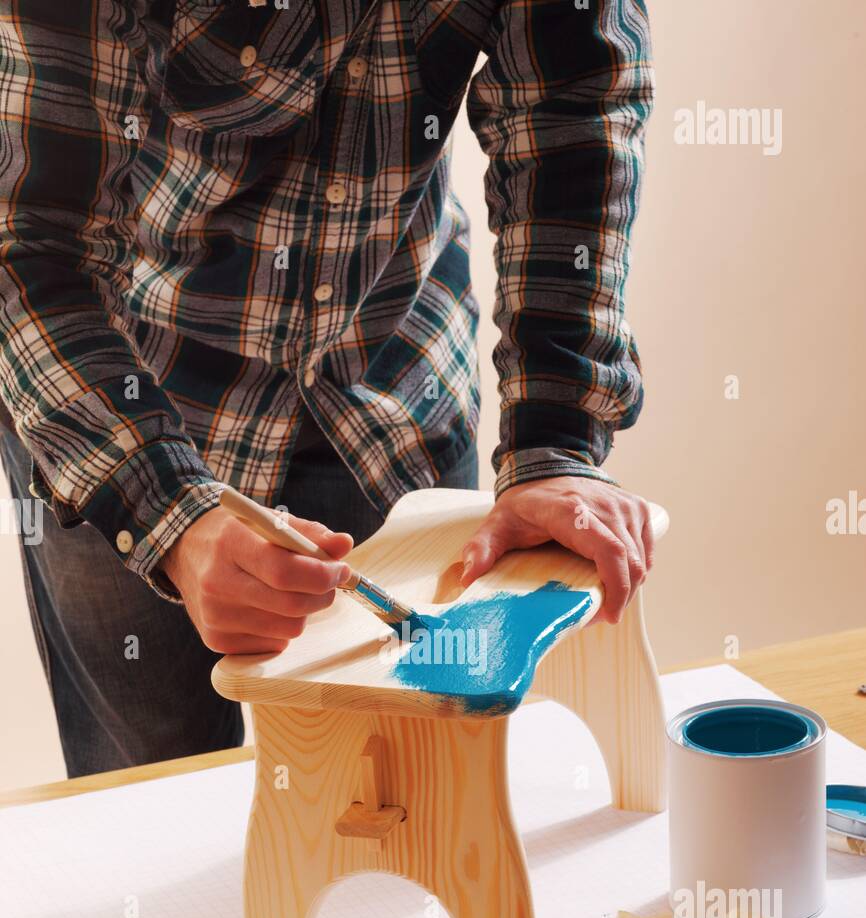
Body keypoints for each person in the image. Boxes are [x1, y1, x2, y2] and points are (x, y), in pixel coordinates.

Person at [0, 1, 655, 776]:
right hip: (116, 399)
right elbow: (26, 242)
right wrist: (168, 514)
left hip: (392, 391)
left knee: (412, 790)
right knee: (148, 797)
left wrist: (555, 442)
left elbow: (572, 116)